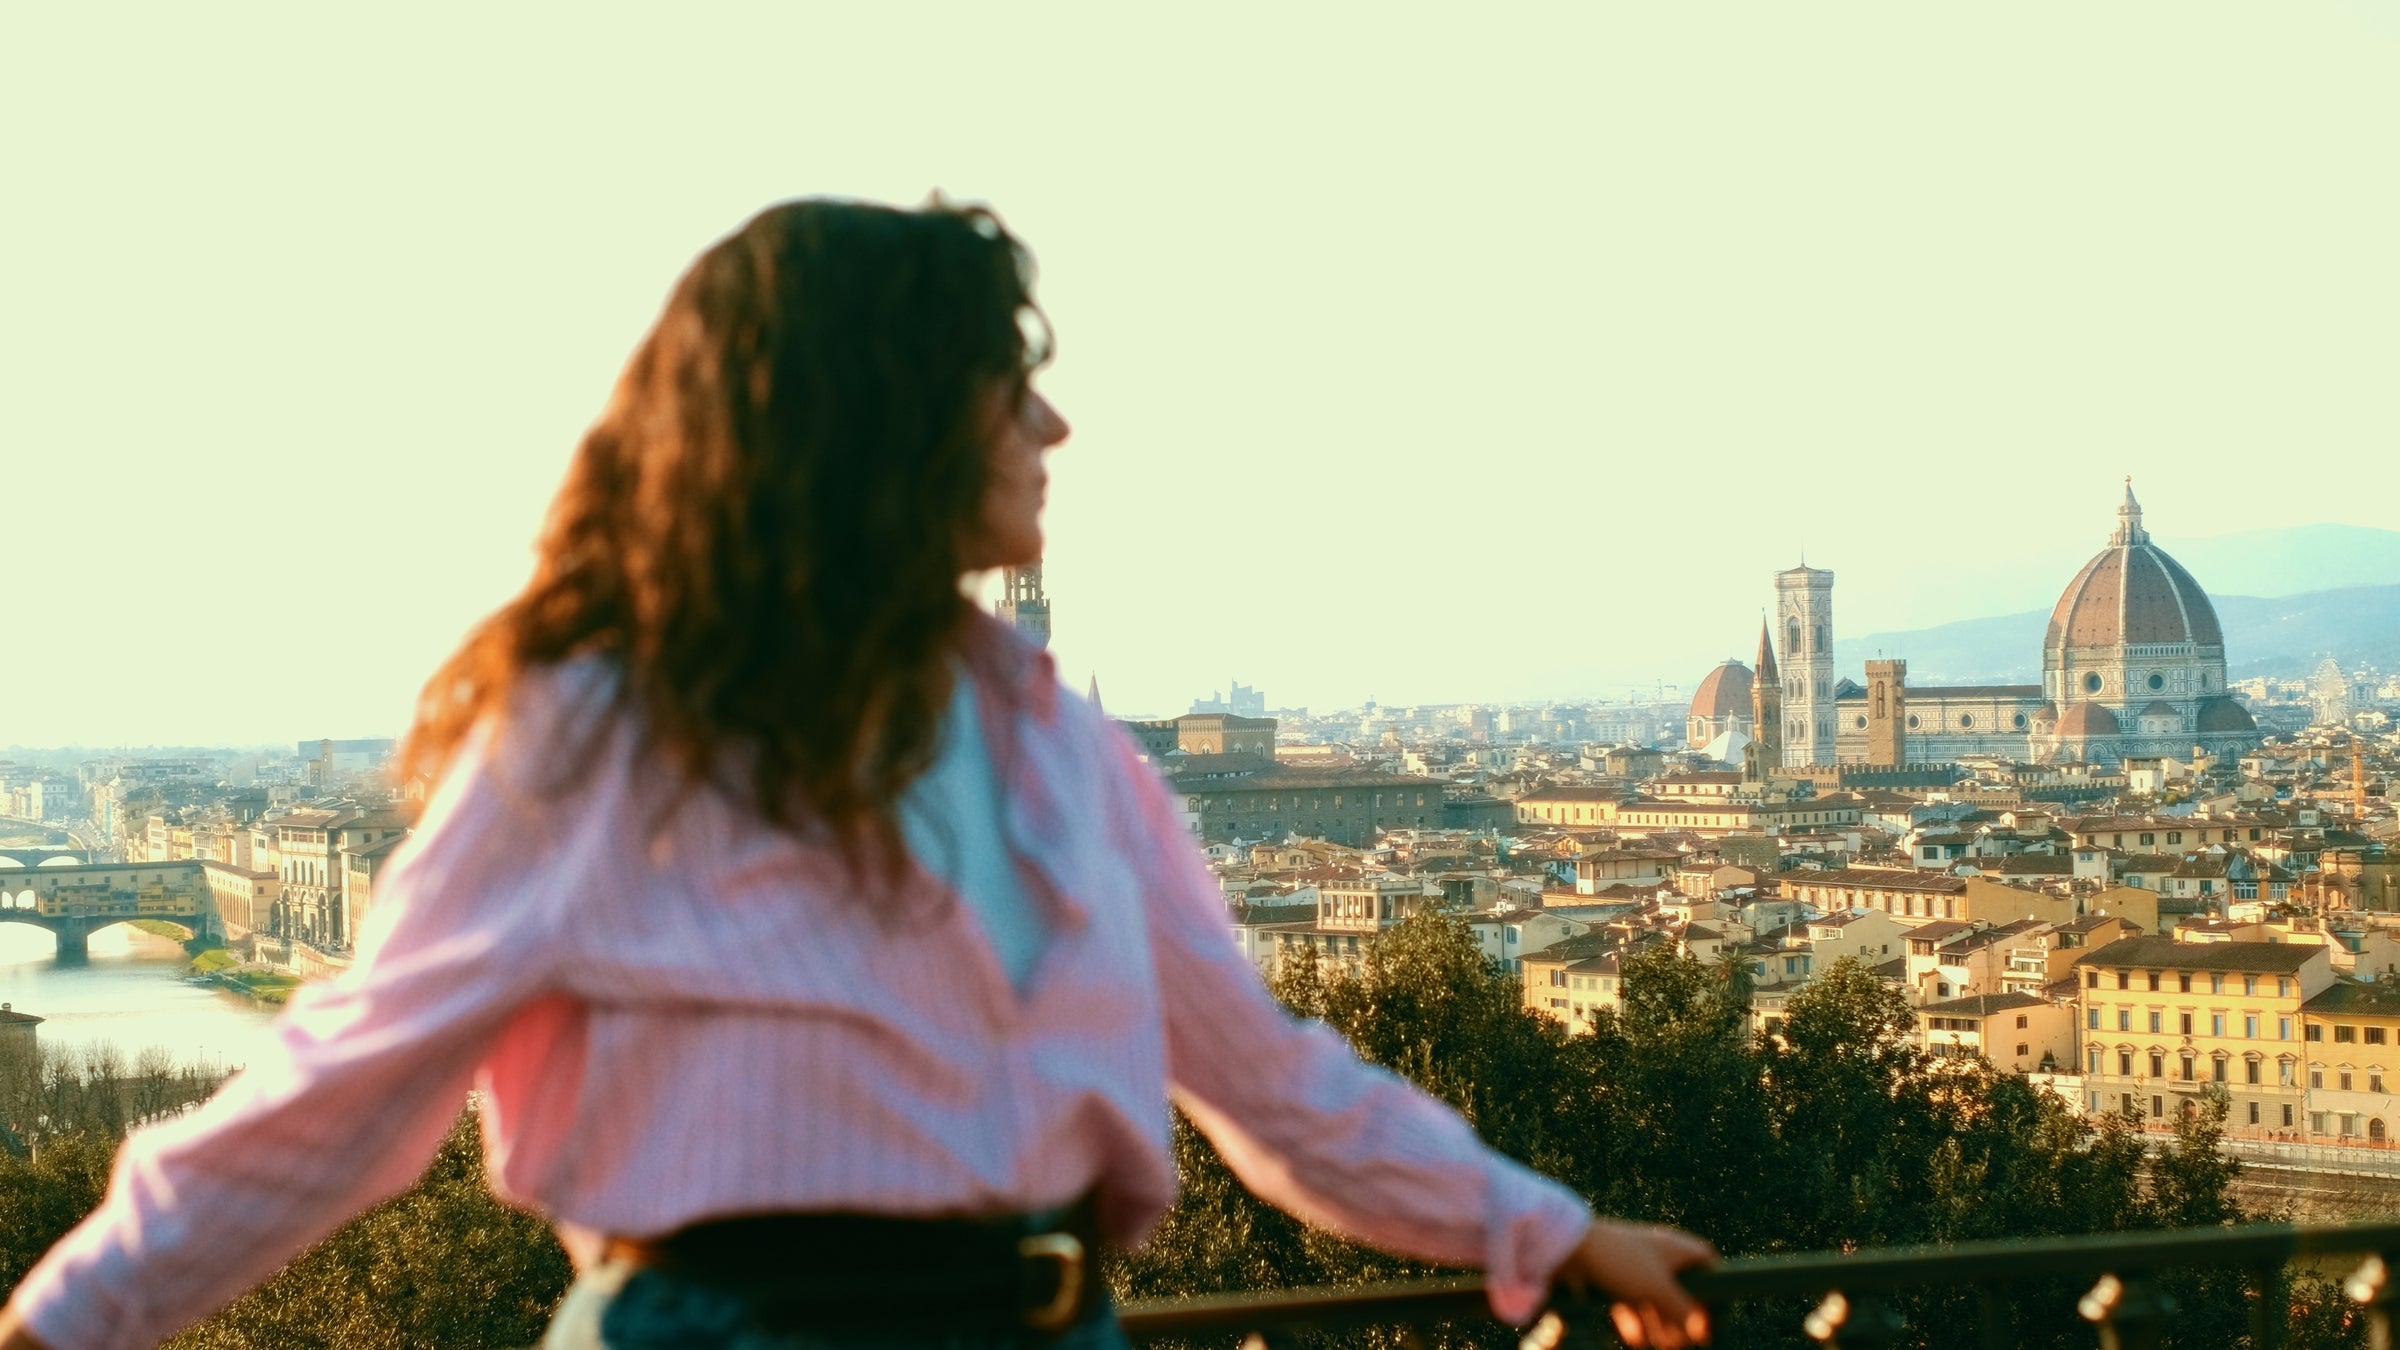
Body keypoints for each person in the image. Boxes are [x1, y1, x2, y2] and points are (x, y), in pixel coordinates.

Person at [0, 198, 1715, 1350]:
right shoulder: (606, 738)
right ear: (878, 421)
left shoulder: (1060, 748)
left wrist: (1552, 1229)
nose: (1056, 432)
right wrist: (67, 1315)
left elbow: (1270, 1076)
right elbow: (349, 1089)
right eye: (1011, 388)